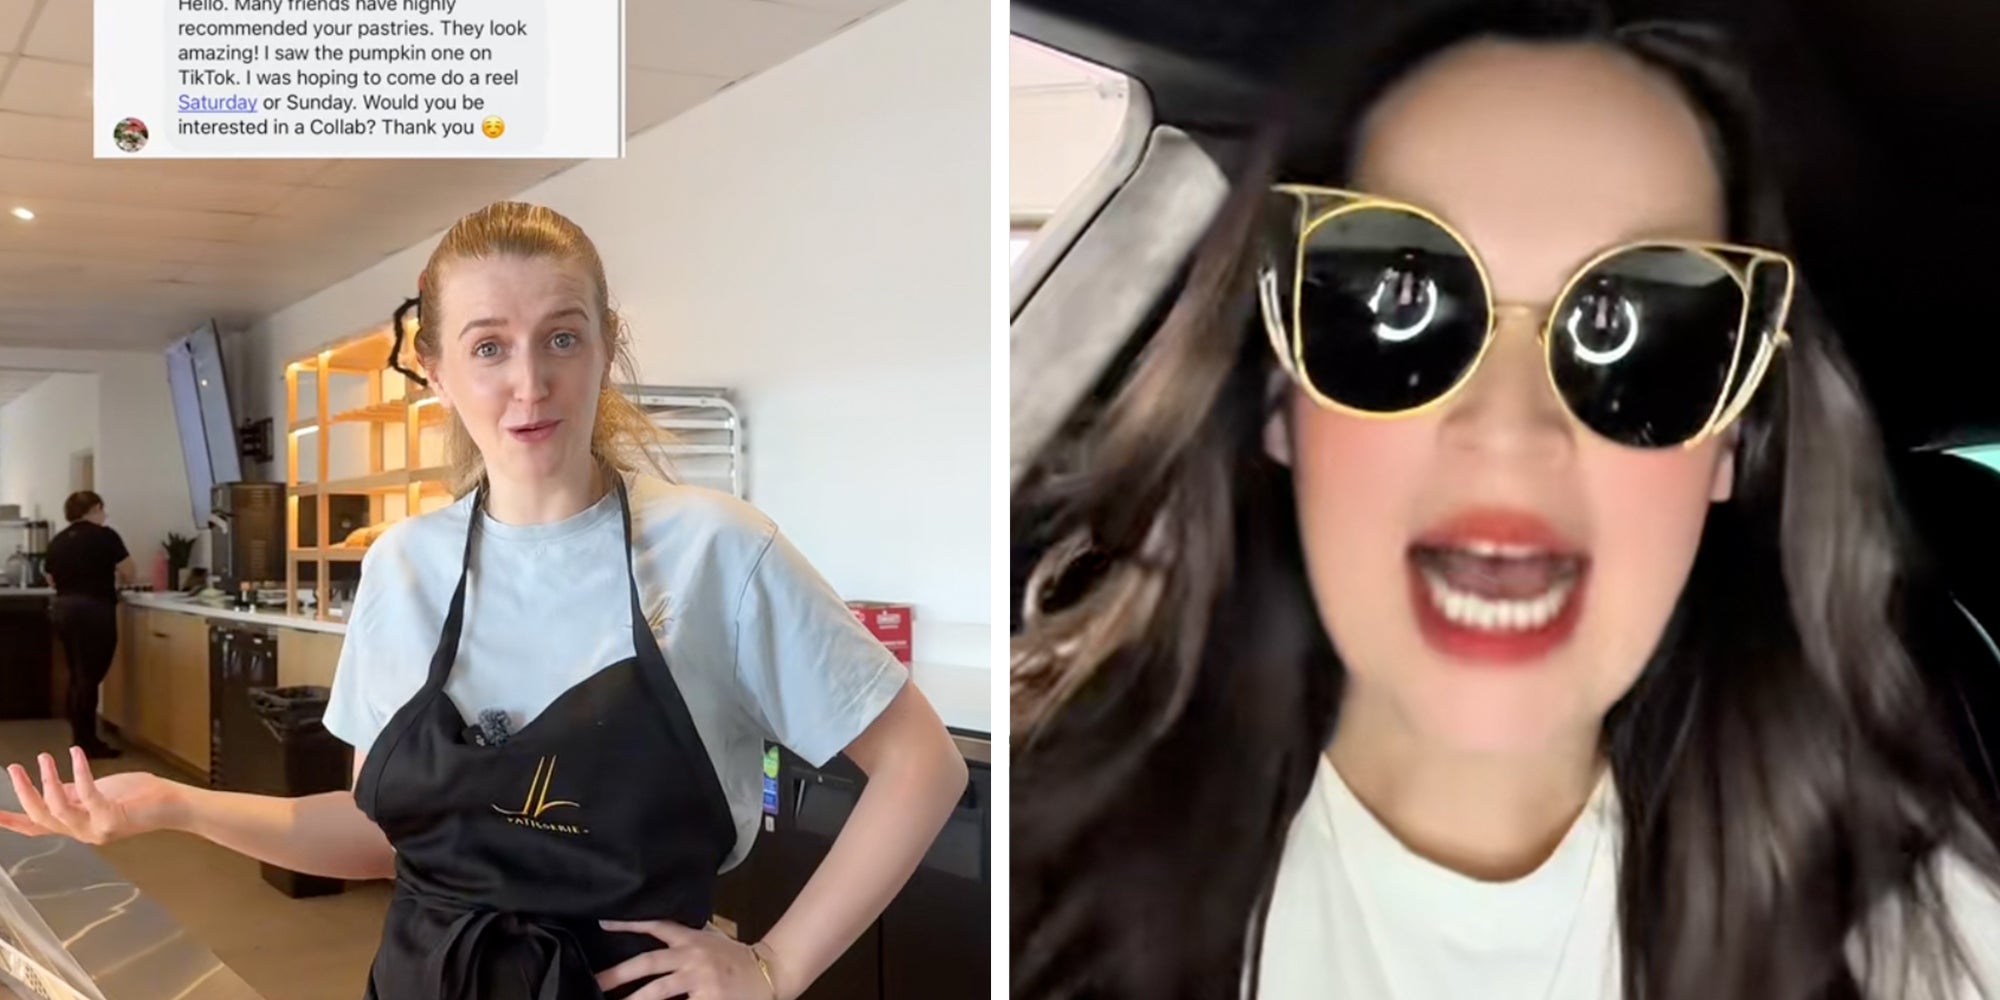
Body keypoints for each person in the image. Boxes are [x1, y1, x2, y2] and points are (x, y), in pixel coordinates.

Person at [1010, 2, 2000, 998]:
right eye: (1401, 299)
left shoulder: (1908, 942)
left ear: (1726, 446)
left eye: (1624, 325)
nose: (1510, 426)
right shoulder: (1033, 876)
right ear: (1279, 403)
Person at [4, 202, 970, 1000]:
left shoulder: (718, 551)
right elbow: (384, 836)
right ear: (435, 372)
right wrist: (174, 805)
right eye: (489, 347)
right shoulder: (404, 567)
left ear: (607, 346)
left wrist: (774, 966)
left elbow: (921, 765)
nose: (530, 383)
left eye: (562, 338)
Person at [43, 490, 134, 760]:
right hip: (94, 609)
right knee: (90, 677)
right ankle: (87, 743)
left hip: (64, 609)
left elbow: (50, 578)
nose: (104, 515)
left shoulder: (59, 540)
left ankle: (79, 738)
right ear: (94, 508)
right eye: (102, 509)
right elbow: (129, 571)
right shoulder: (105, 536)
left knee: (77, 674)